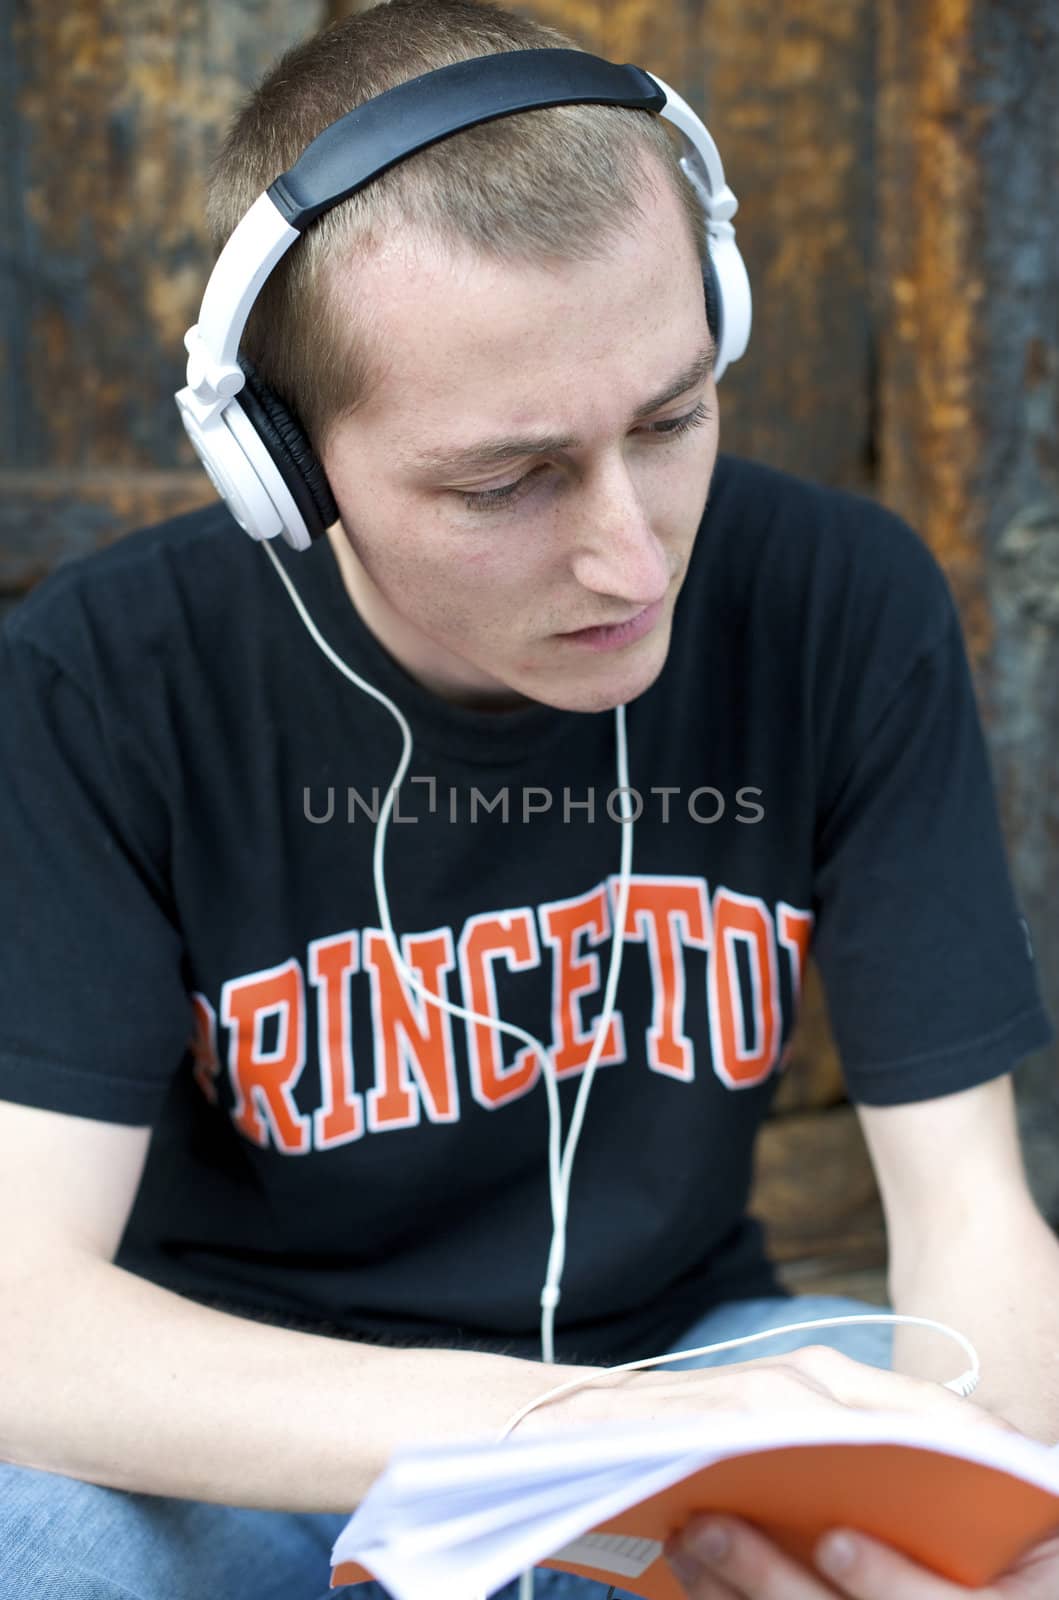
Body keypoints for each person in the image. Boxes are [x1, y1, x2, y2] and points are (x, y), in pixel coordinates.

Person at [0, 2, 1055, 1598]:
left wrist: (1012, 1540)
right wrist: (552, 1431)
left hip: (694, 1372)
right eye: (506, 484)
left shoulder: (846, 599)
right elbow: (26, 1325)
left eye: (674, 419)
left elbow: (974, 1217)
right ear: (284, 469)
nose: (635, 563)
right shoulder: (103, 677)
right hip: (263, 1430)